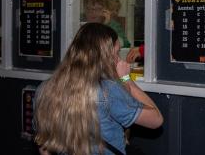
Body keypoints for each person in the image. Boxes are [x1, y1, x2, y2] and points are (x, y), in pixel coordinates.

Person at [34, 23, 163, 155]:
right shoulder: (108, 90)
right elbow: (156, 120)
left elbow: (44, 145)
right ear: (105, 55)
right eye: (117, 52)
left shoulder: (45, 89)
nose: (119, 59)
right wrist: (126, 78)